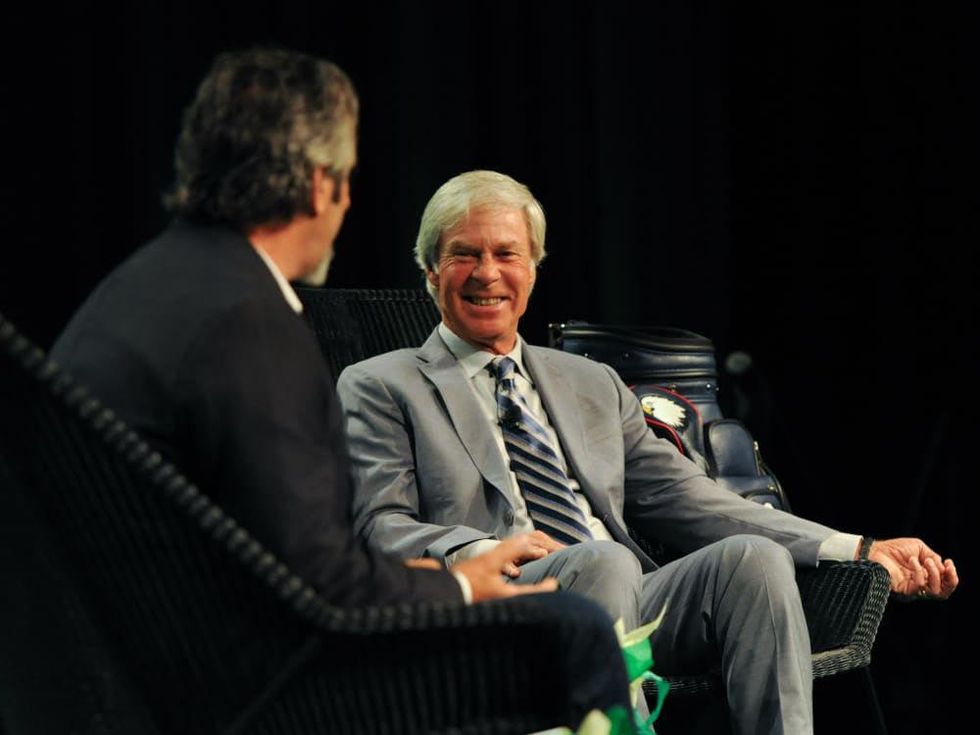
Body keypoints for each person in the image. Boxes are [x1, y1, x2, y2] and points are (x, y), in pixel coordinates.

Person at [49, 51, 636, 722]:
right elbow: (323, 588)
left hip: (131, 660)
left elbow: (279, 548)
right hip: (246, 685)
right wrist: (457, 587)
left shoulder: (145, 284)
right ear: (321, 184)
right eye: (349, 178)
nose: (350, 198)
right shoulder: (250, 321)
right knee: (574, 634)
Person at [335, 169, 960, 735]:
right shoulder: (381, 384)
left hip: (630, 595)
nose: (487, 273)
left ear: (534, 268)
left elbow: (694, 500)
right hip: (503, 602)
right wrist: (478, 551)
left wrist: (858, 547)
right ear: (428, 270)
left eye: (507, 254)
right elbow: (379, 525)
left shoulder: (590, 382)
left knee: (752, 558)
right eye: (464, 254)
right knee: (604, 561)